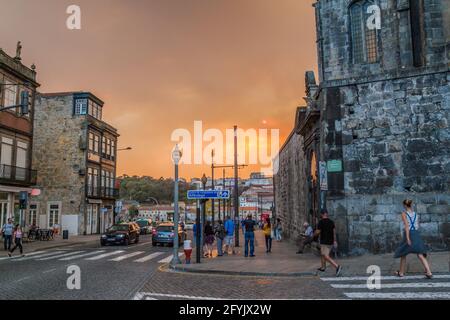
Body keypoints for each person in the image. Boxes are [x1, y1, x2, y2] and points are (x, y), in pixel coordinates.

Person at [394, 199, 432, 279]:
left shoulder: (404, 214)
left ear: (404, 205)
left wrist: (408, 238)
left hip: (409, 234)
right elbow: (417, 226)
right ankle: (429, 272)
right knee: (420, 254)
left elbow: (407, 227)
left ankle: (401, 273)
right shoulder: (415, 214)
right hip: (416, 233)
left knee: (403, 253)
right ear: (410, 205)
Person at [314, 209, 342, 276]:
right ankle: (323, 267)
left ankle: (337, 266)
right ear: (327, 213)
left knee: (325, 255)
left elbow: (317, 232)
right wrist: (335, 241)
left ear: (321, 214)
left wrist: (313, 234)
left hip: (324, 241)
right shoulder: (331, 222)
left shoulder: (321, 222)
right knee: (322, 254)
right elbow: (334, 232)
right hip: (331, 241)